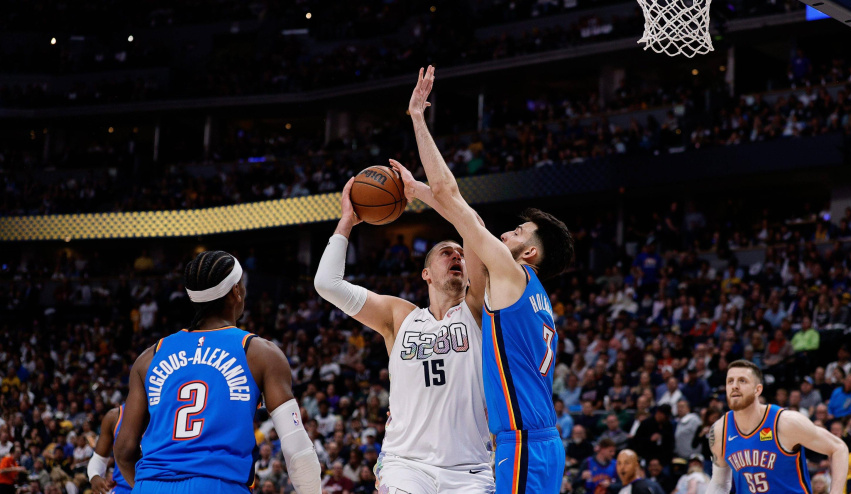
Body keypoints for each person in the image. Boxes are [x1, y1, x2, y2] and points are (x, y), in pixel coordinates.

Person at [401, 64, 574, 494]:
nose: (506, 234)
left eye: (517, 232)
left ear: (529, 253)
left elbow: (452, 196)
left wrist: (418, 118)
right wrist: (416, 191)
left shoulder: (512, 275)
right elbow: (471, 223)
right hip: (536, 441)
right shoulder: (529, 291)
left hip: (524, 443)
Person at [313, 173, 494, 494]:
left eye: (461, 254)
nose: (457, 255)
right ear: (426, 274)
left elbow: (473, 226)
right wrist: (346, 222)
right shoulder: (400, 316)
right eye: (446, 252)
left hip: (470, 469)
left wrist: (421, 192)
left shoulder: (479, 310)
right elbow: (327, 284)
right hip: (406, 463)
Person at [115, 251, 322, 494]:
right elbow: (297, 451)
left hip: (150, 485)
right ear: (236, 291)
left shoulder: (149, 357)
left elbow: (124, 451)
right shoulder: (259, 352)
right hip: (217, 484)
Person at [706, 359, 849, 494]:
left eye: (742, 381)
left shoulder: (785, 422)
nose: (734, 386)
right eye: (730, 381)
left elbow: (838, 448)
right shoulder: (720, 430)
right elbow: (719, 483)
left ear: (757, 390)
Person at [87, 405, 132, 494]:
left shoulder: (160, 414)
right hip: (123, 489)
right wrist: (94, 476)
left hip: (154, 486)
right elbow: (99, 459)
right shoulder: (114, 416)